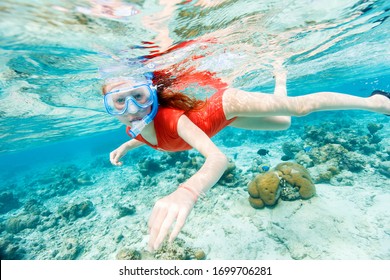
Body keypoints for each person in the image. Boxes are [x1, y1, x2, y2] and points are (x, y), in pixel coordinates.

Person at [102, 67, 390, 251]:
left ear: (151, 94)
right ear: (109, 106)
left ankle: (376, 102)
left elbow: (218, 158)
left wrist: (187, 191)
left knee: (301, 108)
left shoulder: (172, 119)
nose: (133, 108)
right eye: (119, 101)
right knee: (284, 123)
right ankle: (281, 78)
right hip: (224, 122)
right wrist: (128, 146)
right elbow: (145, 133)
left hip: (226, 105)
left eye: (139, 96)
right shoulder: (133, 127)